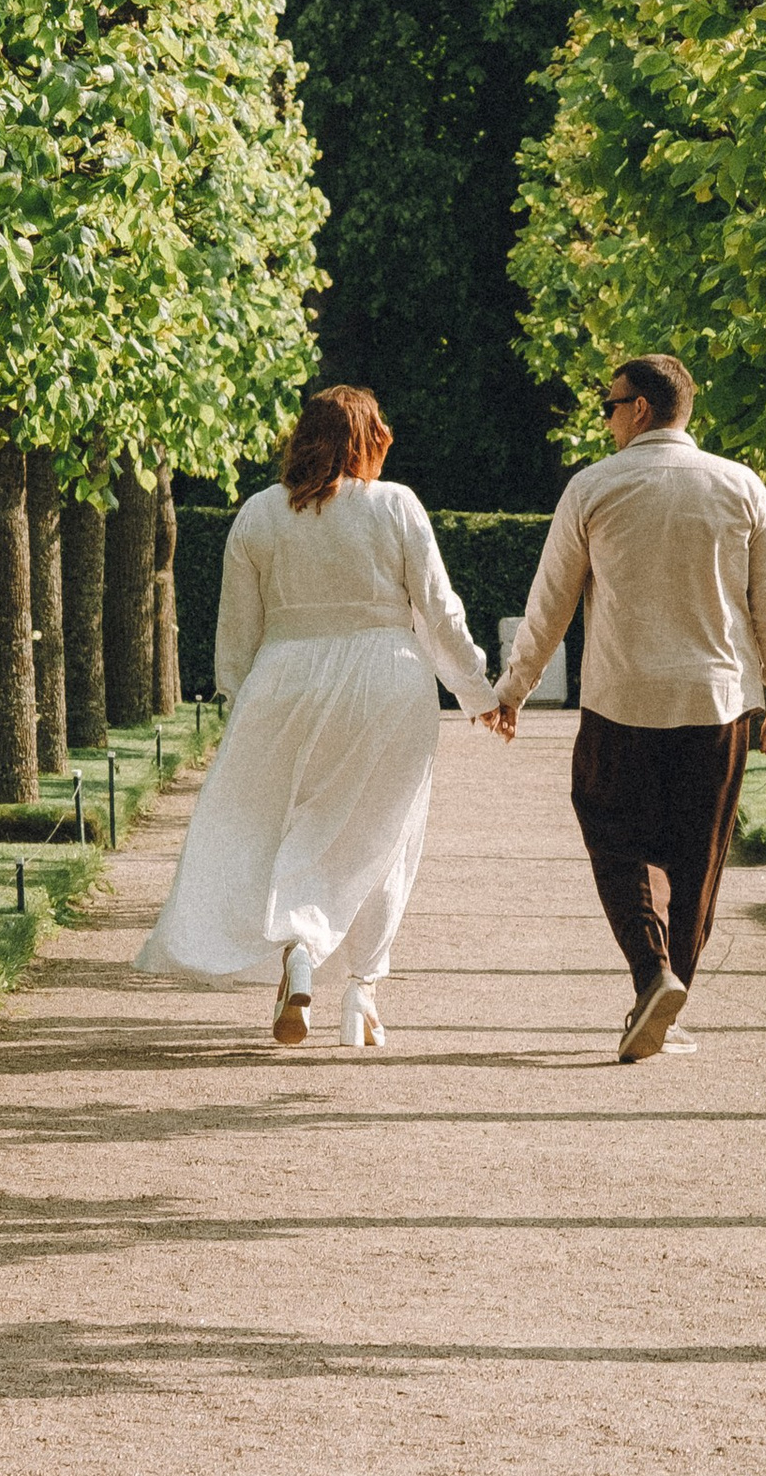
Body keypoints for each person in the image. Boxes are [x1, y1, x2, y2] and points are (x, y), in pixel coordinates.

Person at [135, 383, 499, 1049]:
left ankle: (299, 951)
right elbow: (440, 613)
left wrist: (241, 707)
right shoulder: (395, 506)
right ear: (369, 440)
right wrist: (479, 695)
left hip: (284, 682)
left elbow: (236, 635)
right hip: (388, 680)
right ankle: (360, 989)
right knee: (384, 834)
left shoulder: (258, 515)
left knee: (289, 824)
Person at [490, 353, 766, 1062]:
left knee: (613, 836)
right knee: (698, 861)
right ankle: (670, 992)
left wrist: (514, 690)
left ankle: (651, 973)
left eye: (609, 405)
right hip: (716, 702)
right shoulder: (742, 486)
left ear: (639, 409)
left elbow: (550, 605)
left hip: (621, 700)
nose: (605, 418)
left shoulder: (594, 488)